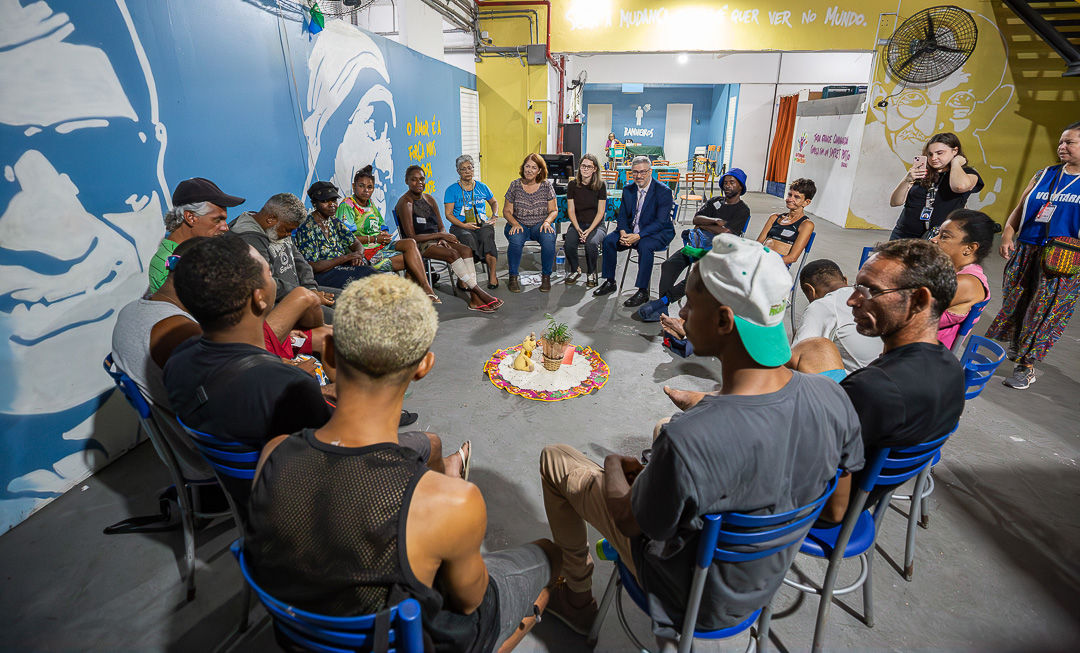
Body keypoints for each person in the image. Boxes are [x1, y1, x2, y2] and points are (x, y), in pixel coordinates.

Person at [541, 235, 864, 641]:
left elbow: (628, 519)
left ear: (724, 321)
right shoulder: (834, 396)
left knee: (556, 459)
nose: (681, 311)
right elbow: (835, 513)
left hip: (686, 593)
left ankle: (576, 599)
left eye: (691, 304)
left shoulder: (689, 437)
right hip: (761, 584)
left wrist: (612, 463)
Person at [244, 275, 559, 652]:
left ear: (328, 354)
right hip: (422, 638)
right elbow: (470, 602)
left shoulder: (274, 452)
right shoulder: (453, 502)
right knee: (550, 554)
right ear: (424, 366)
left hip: (299, 637)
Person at [163, 235, 466, 518]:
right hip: (313, 500)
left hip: (250, 493)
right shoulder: (284, 384)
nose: (274, 279)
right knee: (431, 442)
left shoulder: (178, 359)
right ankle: (433, 515)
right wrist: (337, 389)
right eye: (270, 273)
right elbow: (347, 448)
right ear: (259, 299)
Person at [818, 240, 965, 522]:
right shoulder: (950, 368)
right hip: (867, 486)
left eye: (870, 290)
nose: (852, 300)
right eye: (856, 287)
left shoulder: (873, 388)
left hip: (825, 507)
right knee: (817, 348)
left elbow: (833, 509)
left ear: (919, 300)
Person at [986, 122, 1080, 390]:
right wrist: (1007, 234)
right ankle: (1017, 351)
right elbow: (1020, 207)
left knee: (1044, 311)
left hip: (1062, 259)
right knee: (1015, 304)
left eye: (1069, 142)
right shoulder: (1044, 174)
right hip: (1027, 249)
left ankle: (1025, 368)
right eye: (1061, 142)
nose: (1062, 146)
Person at [301, 175, 438, 302]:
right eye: (325, 201)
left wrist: (357, 256)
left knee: (402, 256)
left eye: (333, 200)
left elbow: (356, 244)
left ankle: (421, 292)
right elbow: (313, 266)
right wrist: (347, 257)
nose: (331, 204)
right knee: (372, 277)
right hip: (325, 274)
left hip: (346, 265)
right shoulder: (308, 228)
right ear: (314, 203)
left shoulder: (334, 222)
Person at [640, 167, 750, 320]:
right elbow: (696, 219)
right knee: (669, 265)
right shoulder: (714, 202)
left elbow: (726, 232)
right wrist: (714, 222)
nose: (727, 186)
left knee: (696, 277)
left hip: (720, 252)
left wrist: (705, 226)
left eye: (732, 182)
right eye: (725, 182)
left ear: (741, 186)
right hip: (698, 244)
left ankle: (662, 301)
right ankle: (662, 310)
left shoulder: (743, 210)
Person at [397, 166, 503, 312]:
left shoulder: (430, 199)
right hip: (419, 245)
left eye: (421, 179)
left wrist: (443, 237)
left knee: (466, 250)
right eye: (413, 180)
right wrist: (440, 236)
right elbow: (411, 237)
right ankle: (478, 293)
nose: (418, 182)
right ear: (406, 181)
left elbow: (441, 226)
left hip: (437, 239)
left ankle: (474, 299)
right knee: (452, 254)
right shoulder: (405, 203)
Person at [232, 193, 335, 328]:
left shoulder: (276, 225)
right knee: (337, 318)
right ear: (271, 219)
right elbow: (266, 284)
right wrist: (307, 296)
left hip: (296, 291)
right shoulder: (248, 239)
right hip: (275, 302)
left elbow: (300, 261)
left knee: (350, 300)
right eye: (288, 230)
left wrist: (310, 288)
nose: (288, 235)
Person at [593, 156, 676, 307]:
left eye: (643, 172)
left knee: (645, 245)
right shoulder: (628, 190)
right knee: (609, 240)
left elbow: (660, 222)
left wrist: (638, 236)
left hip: (658, 232)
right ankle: (610, 281)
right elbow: (623, 215)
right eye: (635, 172)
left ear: (650, 171)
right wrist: (624, 232)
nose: (638, 176)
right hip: (632, 230)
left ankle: (643, 291)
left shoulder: (663, 191)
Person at [148, 177, 243, 293]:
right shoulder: (168, 264)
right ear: (190, 217)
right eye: (217, 220)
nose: (226, 227)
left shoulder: (196, 252)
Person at [888, 132, 984, 240]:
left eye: (940, 153)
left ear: (955, 151)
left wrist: (956, 163)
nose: (934, 158)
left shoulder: (967, 173)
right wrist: (907, 180)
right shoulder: (921, 172)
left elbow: (960, 186)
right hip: (904, 233)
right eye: (930, 154)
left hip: (938, 237)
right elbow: (895, 202)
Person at [791, 259, 881, 372]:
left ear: (810, 290)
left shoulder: (822, 305)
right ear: (845, 280)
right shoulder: (869, 294)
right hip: (892, 370)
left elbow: (796, 358)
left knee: (806, 348)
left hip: (858, 382)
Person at [929, 210, 999, 349]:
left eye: (944, 236)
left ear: (969, 248)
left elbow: (905, 314)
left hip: (926, 359)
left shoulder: (967, 283)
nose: (934, 239)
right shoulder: (949, 270)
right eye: (938, 233)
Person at [503, 153, 558, 293]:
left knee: (549, 238)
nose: (529, 170)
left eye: (534, 167)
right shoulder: (515, 185)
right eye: (527, 166)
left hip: (540, 224)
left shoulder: (547, 186)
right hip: (519, 223)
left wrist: (547, 222)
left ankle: (546, 277)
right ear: (523, 167)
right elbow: (507, 211)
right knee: (515, 240)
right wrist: (515, 224)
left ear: (539, 170)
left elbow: (554, 210)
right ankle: (513, 277)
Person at [443, 155, 500, 289]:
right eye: (463, 169)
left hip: (481, 223)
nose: (467, 171)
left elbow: (494, 202)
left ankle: (493, 276)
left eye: (470, 168)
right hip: (460, 225)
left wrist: (495, 216)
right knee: (467, 239)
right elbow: (448, 214)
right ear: (458, 171)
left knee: (488, 238)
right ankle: (465, 278)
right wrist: (464, 225)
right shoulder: (452, 190)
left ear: (474, 169)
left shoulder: (482, 187)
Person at [562, 153, 608, 287]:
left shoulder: (601, 185)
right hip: (578, 224)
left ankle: (591, 272)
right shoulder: (572, 185)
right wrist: (578, 229)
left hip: (597, 225)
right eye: (583, 166)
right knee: (569, 243)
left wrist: (589, 231)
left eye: (589, 166)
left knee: (591, 244)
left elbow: (601, 212)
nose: (585, 169)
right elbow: (571, 210)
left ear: (595, 169)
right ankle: (575, 269)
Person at [755, 178, 816, 267]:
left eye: (796, 197)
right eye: (789, 195)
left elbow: (792, 257)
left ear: (806, 202)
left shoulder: (806, 225)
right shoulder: (774, 218)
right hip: (762, 259)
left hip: (778, 265)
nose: (790, 199)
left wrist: (769, 263)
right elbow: (758, 244)